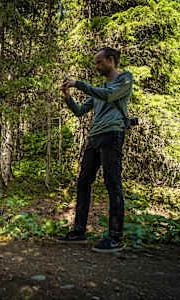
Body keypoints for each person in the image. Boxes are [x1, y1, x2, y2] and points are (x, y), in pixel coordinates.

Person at [59, 47, 133, 253]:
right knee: (83, 182)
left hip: (113, 135)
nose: (96, 66)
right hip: (95, 138)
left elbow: (110, 96)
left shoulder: (124, 79)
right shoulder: (99, 89)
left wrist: (80, 85)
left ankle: (115, 237)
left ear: (111, 60)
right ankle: (79, 231)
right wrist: (67, 97)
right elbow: (80, 111)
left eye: (99, 62)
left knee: (112, 183)